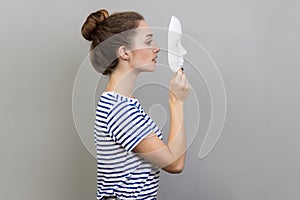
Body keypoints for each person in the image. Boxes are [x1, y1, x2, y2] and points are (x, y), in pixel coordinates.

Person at [81, 9, 191, 200]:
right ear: (124, 52)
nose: (156, 48)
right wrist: (176, 102)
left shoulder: (125, 103)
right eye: (148, 41)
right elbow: (174, 164)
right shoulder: (119, 110)